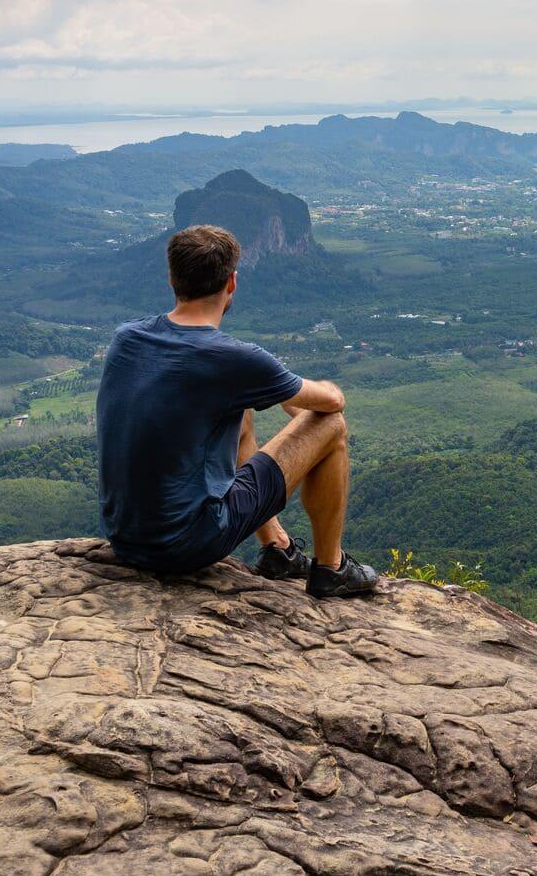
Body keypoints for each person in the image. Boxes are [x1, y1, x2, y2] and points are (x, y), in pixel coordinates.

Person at [96, 224, 378, 597]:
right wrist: (302, 424)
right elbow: (331, 402)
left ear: (172, 278)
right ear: (232, 282)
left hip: (124, 537)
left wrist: (267, 390)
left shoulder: (127, 337)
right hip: (187, 545)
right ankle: (332, 568)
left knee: (239, 408)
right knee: (332, 426)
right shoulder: (235, 359)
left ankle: (278, 550)